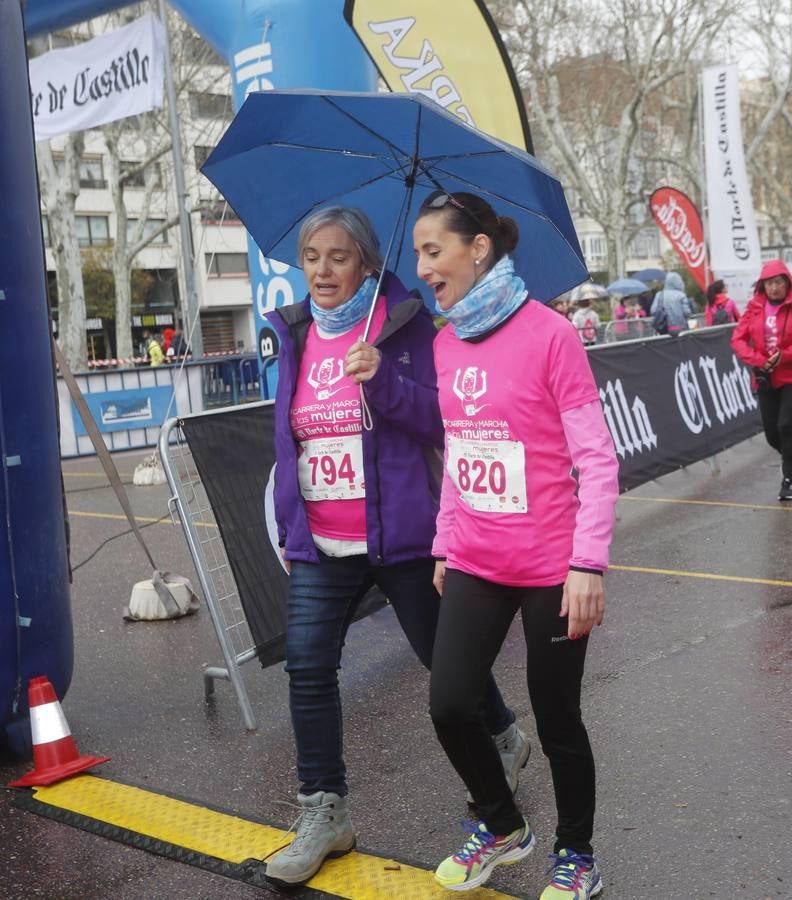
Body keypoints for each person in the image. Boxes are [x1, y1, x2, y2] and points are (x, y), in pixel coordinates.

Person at [262, 206, 525, 887]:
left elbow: (444, 419)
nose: (322, 269)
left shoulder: (407, 327)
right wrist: (293, 525)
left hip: (404, 535)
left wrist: (382, 378)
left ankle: (502, 734)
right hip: (322, 543)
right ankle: (326, 813)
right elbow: (289, 441)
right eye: (312, 256)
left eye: (339, 256)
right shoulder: (292, 334)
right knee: (309, 670)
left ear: (368, 265)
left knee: (446, 666)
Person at [412, 190, 618, 899]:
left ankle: (577, 855)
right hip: (475, 556)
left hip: (552, 567)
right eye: (416, 254)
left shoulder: (549, 335)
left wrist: (587, 563)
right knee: (449, 703)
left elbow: (597, 459)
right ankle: (502, 825)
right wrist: (444, 543)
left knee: (556, 718)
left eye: (432, 250)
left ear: (478, 249)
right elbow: (460, 457)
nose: (422, 267)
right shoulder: (443, 342)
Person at [730, 260, 792, 501]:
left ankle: (788, 479)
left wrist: (786, 355)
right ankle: (790, 457)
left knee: (785, 425)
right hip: (765, 378)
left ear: (787, 283)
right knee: (772, 433)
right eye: (769, 283)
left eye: (778, 282)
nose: (774, 287)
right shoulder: (753, 308)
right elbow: (738, 340)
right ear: (763, 285)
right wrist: (759, 360)